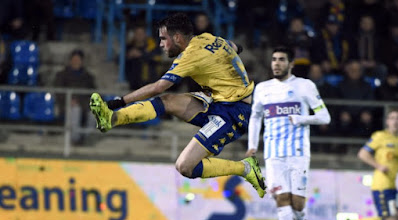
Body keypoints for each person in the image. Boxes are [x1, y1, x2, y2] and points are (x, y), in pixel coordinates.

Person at [89, 13, 266, 198]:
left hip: (234, 113)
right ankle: (111, 118)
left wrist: (119, 101)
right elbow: (235, 46)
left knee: (185, 166)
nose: (160, 44)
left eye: (163, 39)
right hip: (218, 100)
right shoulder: (208, 38)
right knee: (168, 101)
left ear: (177, 38)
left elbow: (157, 87)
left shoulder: (190, 56)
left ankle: (245, 168)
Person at [245, 46, 331, 220]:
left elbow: (324, 116)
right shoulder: (263, 89)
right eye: (274, 59)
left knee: (298, 205)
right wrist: (252, 145)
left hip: (299, 153)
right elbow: (255, 117)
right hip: (273, 155)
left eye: (281, 60)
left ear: (291, 63)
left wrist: (302, 119)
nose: (276, 63)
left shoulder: (305, 86)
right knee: (281, 200)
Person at [341, 108, 398, 220]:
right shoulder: (380, 136)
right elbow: (362, 153)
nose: (395, 121)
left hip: (392, 187)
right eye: (393, 118)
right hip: (381, 186)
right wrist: (378, 166)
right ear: (387, 121)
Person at [54, 49, 96, 145]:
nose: (76, 62)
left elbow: (94, 92)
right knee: (75, 109)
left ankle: (86, 137)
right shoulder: (62, 75)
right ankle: (75, 139)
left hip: (85, 104)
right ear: (70, 61)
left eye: (78, 60)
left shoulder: (88, 77)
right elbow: (58, 92)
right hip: (67, 104)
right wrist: (68, 100)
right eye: (74, 59)